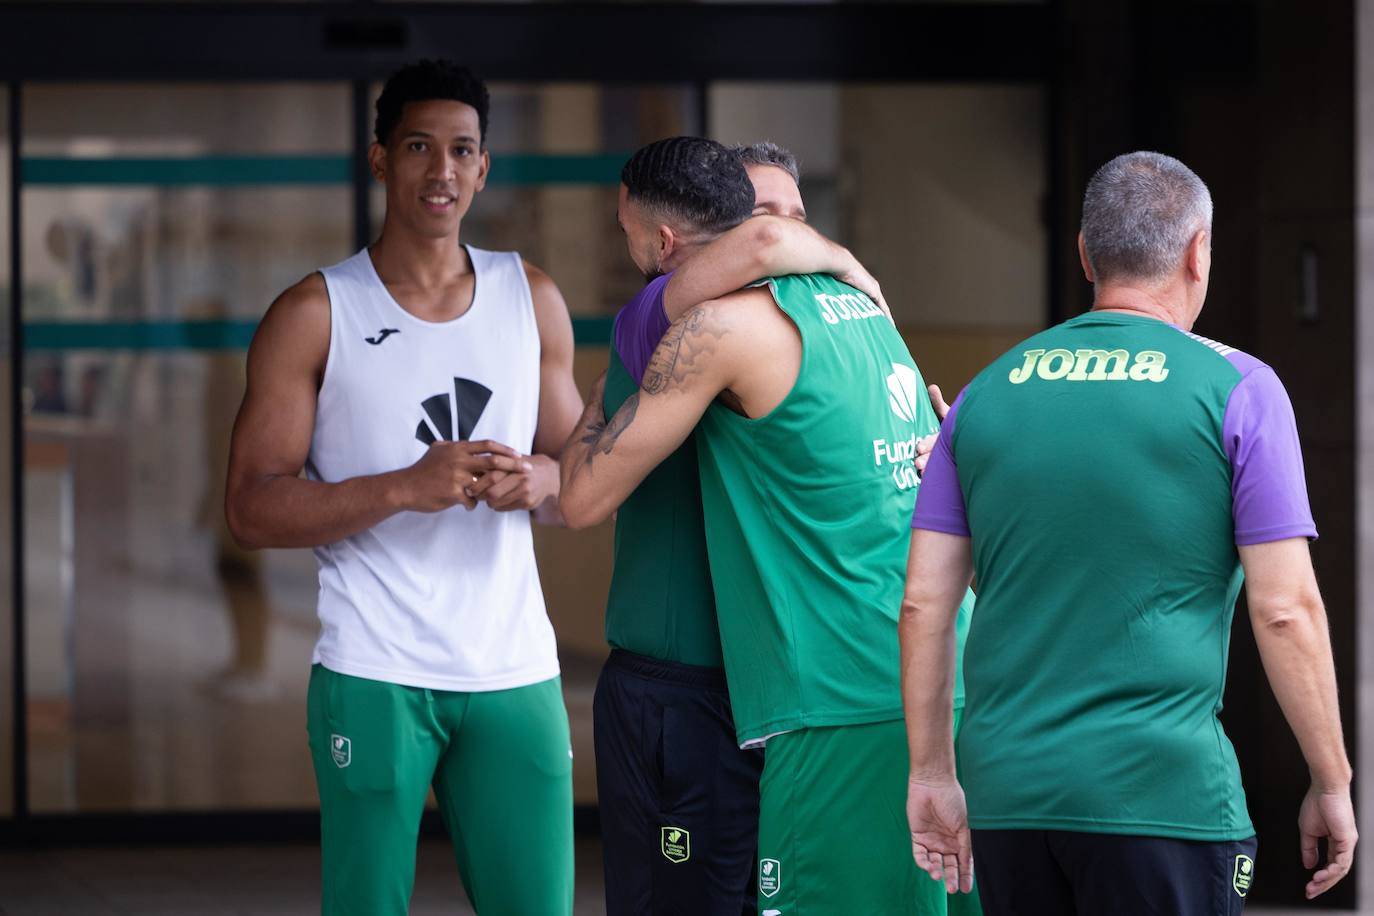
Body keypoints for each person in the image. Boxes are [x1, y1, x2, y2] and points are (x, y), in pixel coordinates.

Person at [901, 150, 1357, 915]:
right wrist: (1331, 779)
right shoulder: (1240, 389)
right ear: (1198, 251)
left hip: (1009, 799)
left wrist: (931, 774)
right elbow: (1285, 610)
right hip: (1164, 799)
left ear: (1085, 254)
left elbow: (924, 605)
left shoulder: (984, 395)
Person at [562, 136, 971, 916]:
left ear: (665, 242)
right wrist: (854, 269)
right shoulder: (866, 314)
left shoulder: (694, 325)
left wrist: (597, 406)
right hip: (924, 673)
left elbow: (579, 500)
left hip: (811, 694)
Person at [225, 59, 582, 915]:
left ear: (484, 167)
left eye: (462, 150)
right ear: (381, 159)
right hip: (374, 667)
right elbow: (250, 507)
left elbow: (583, 478)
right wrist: (401, 487)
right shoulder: (316, 313)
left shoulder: (530, 297)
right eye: (420, 146)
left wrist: (540, 477)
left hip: (514, 668)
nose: (442, 170)